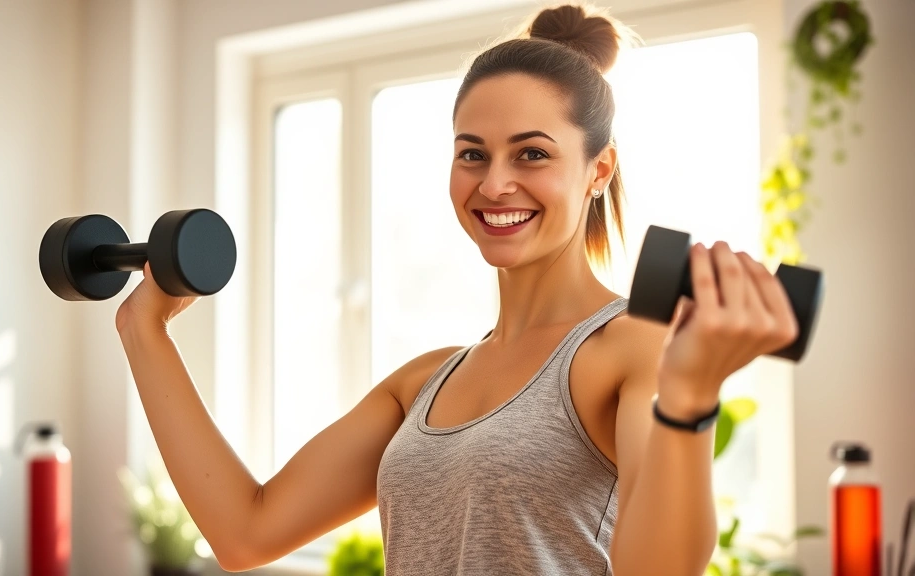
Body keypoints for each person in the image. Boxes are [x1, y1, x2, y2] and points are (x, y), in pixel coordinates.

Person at [114, 3, 800, 574]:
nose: (494, 183)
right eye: (473, 153)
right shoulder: (424, 382)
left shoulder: (632, 349)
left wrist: (688, 398)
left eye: (532, 153)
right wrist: (143, 331)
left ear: (598, 169)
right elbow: (246, 531)